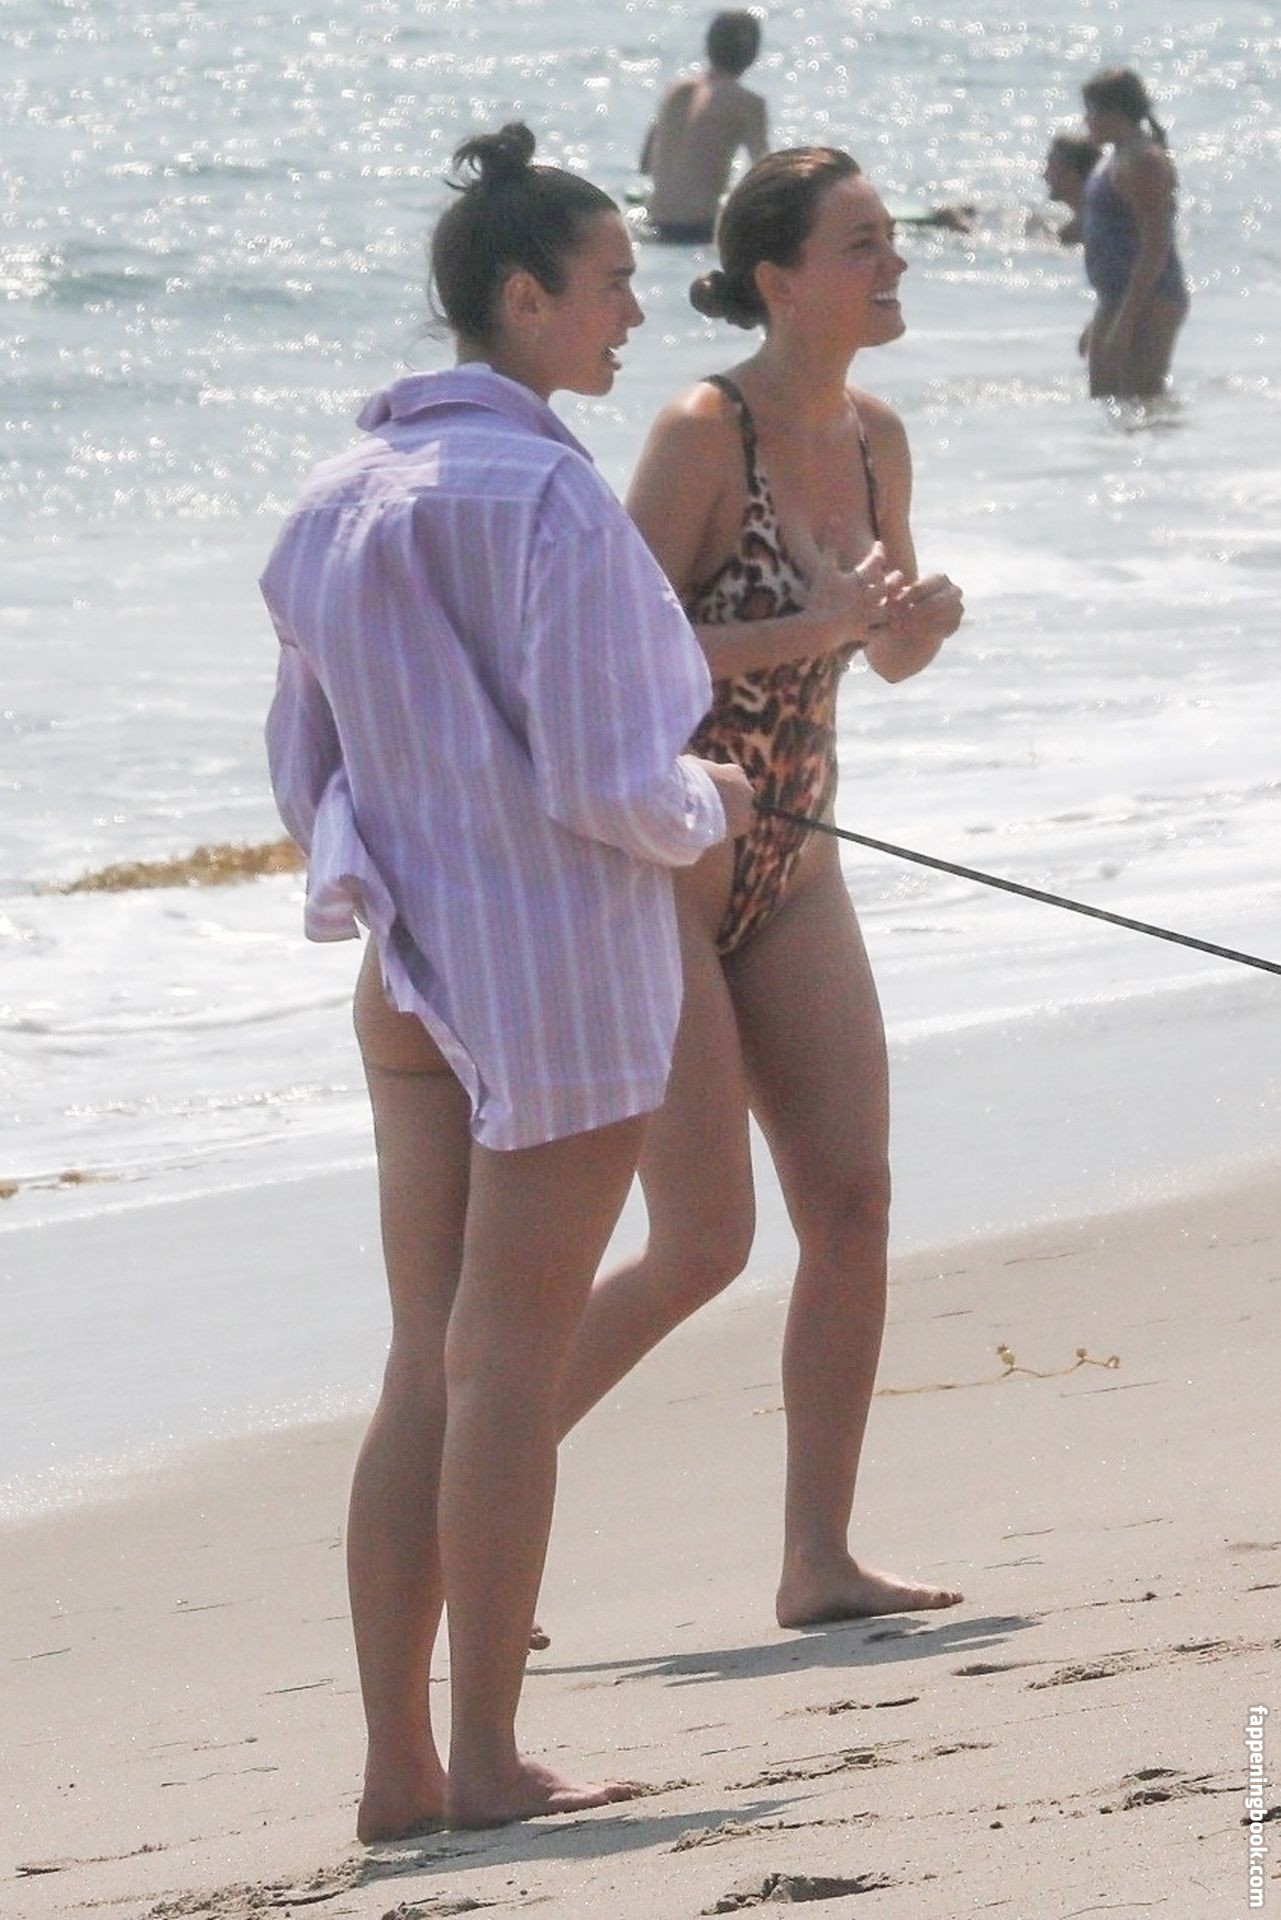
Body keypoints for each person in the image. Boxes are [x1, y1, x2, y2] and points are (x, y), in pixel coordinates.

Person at [261, 122, 752, 1837]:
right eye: (609, 284)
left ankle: (398, 1765)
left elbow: (302, 772)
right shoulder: (544, 495)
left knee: (430, 1366)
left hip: (405, 972)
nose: (633, 311)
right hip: (550, 975)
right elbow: (611, 780)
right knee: (509, 1373)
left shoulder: (332, 497)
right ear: (523, 299)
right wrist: (713, 801)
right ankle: (480, 1757)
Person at [550, 146, 966, 1631]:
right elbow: (617, 664)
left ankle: (817, 1558)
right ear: (780, 279)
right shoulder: (699, 432)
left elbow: (878, 650)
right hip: (664, 867)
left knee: (853, 1203)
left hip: (796, 859)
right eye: (864, 244)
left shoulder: (875, 438)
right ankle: (468, 1488)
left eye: (891, 238)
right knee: (700, 1246)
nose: (895, 262)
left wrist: (915, 627)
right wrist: (818, 627)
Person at [1080, 68, 1188, 399]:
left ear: (1115, 112)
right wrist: (1101, 318)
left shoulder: (1144, 161)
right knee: (1105, 399)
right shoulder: (1115, 158)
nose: (1086, 120)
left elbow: (1156, 245)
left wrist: (1127, 319)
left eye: (1091, 110)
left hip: (1150, 297)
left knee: (1141, 400)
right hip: (1115, 296)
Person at [640, 10, 769, 243]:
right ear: (752, 54)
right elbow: (767, 178)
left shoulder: (675, 91)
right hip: (698, 230)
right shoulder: (748, 104)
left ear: (708, 47)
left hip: (654, 223)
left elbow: (645, 165)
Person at [1042, 131, 1101, 246]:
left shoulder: (1076, 232)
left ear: (1072, 176)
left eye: (1052, 167)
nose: (1044, 175)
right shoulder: (1103, 215)